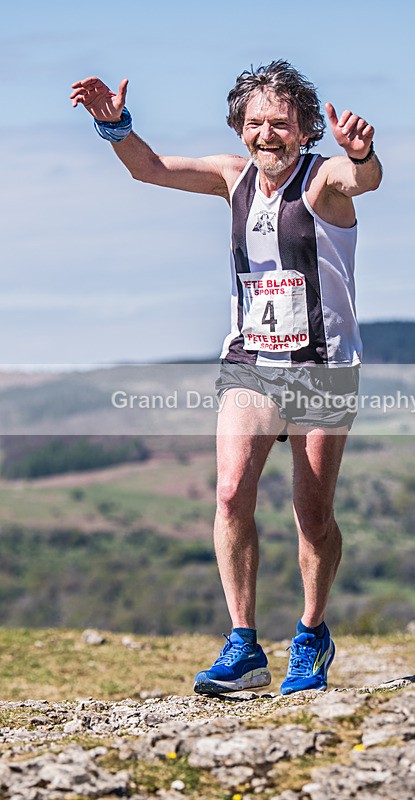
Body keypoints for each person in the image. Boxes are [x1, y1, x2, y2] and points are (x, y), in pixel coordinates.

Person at [71, 60, 382, 695]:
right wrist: (114, 126)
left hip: (321, 367)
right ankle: (243, 643)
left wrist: (364, 153)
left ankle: (310, 634)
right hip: (250, 362)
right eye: (256, 122)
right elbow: (149, 169)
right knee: (231, 492)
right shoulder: (232, 178)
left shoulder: (321, 178)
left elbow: (362, 180)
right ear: (240, 126)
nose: (268, 134)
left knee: (311, 515)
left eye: (282, 123)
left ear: (303, 129)